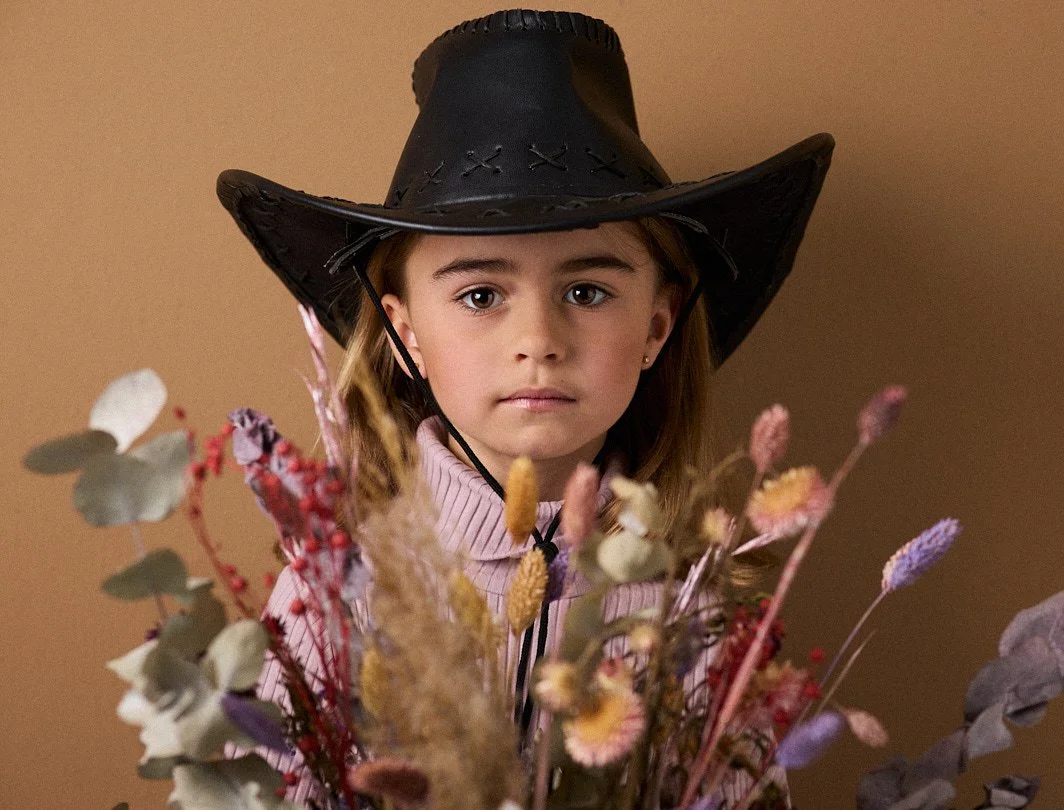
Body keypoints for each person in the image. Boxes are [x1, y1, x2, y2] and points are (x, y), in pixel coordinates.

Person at [217, 9, 834, 807]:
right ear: (405, 332)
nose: (538, 340)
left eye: (587, 290)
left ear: (657, 325)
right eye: (480, 294)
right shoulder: (335, 596)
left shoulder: (693, 621)